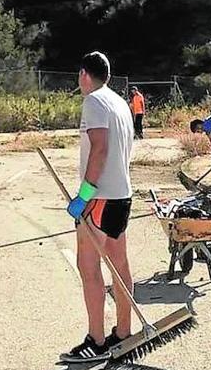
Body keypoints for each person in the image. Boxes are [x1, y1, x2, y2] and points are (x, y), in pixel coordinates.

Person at [60, 52, 135, 363]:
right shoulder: (120, 103)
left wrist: (85, 195)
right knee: (119, 265)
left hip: (100, 199)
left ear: (84, 74)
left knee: (89, 268)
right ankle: (124, 332)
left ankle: (97, 340)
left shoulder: (93, 102)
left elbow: (100, 148)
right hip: (122, 196)